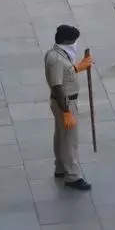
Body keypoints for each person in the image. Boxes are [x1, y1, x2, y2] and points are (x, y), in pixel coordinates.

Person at [45, 25, 94, 191]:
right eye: (73, 41)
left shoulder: (59, 54)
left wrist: (79, 67)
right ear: (66, 41)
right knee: (69, 140)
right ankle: (72, 176)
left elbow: (66, 73)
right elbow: (58, 86)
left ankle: (60, 167)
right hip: (64, 102)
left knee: (61, 136)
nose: (75, 44)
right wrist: (66, 112)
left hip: (64, 101)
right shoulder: (56, 59)